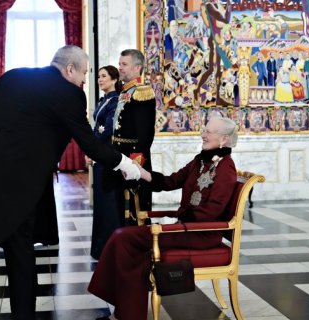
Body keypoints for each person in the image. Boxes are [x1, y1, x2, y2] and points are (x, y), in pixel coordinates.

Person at [0, 45, 142, 320]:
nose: (85, 79)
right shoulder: (69, 93)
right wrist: (127, 165)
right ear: (70, 69)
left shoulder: (15, 76)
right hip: (13, 189)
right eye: (84, 72)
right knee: (20, 260)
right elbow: (89, 144)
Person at [89, 116, 239, 320]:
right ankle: (127, 313)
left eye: (209, 131)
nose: (202, 134)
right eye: (204, 129)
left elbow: (213, 211)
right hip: (185, 228)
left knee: (123, 237)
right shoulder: (200, 161)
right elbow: (170, 181)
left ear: (224, 139)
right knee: (126, 242)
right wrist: (141, 173)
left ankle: (124, 312)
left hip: (200, 234)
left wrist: (176, 223)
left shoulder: (226, 168)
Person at [103, 49, 156, 227]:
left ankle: (138, 250)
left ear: (137, 67)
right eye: (119, 64)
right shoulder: (126, 92)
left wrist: (135, 164)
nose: (120, 68)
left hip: (133, 159)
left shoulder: (142, 92)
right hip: (120, 157)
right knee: (119, 209)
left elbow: (145, 135)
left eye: (124, 64)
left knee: (135, 210)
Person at [88, 65, 123, 259]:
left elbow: (108, 129)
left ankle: (110, 248)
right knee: (101, 201)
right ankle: (101, 247)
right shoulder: (104, 99)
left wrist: (92, 148)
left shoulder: (116, 100)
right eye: (99, 76)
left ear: (114, 79)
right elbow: (97, 127)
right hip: (100, 153)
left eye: (103, 76)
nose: (100, 79)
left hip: (108, 154)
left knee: (108, 201)